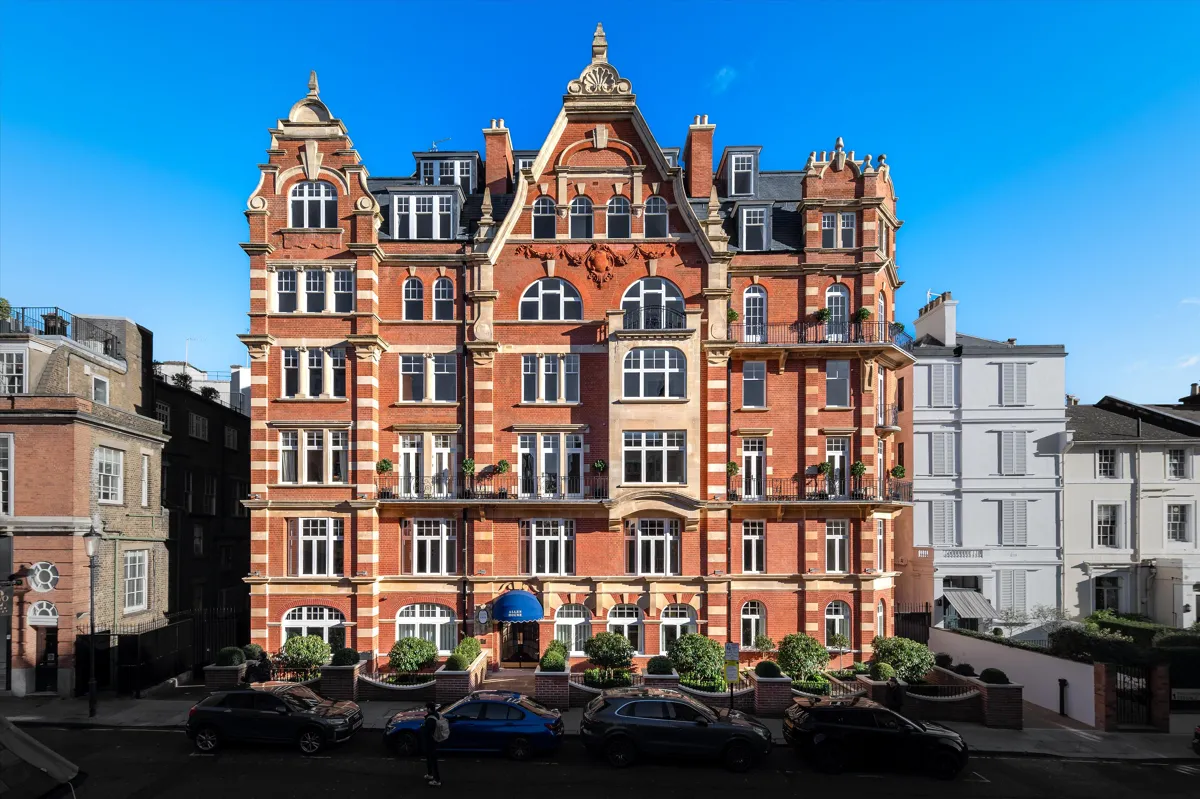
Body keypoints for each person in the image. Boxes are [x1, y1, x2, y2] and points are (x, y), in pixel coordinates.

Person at [422, 701, 442, 786]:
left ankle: (437, 780)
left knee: (433, 760)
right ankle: (430, 774)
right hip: (434, 741)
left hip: (431, 742)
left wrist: (423, 728)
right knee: (430, 759)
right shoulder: (436, 715)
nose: (426, 710)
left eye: (427, 708)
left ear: (429, 709)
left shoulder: (431, 719)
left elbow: (427, 731)